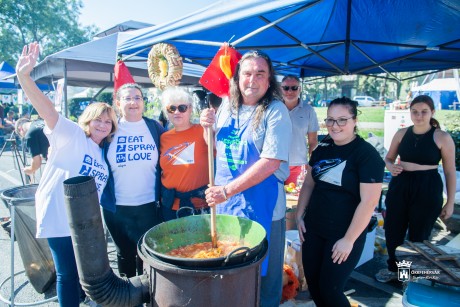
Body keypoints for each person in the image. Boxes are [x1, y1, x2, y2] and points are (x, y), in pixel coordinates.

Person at [16, 42, 118, 306]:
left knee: (81, 271)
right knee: (67, 273)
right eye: (98, 119)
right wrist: (24, 77)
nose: (103, 125)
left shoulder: (101, 154)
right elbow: (47, 110)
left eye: (108, 122)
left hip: (84, 224)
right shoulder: (71, 135)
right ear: (87, 120)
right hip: (58, 215)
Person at [200, 50, 292, 307]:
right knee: (231, 269)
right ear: (238, 77)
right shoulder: (227, 106)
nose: (253, 79)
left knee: (265, 278)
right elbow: (215, 148)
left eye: (260, 74)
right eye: (247, 73)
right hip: (228, 205)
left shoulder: (276, 111)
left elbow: (271, 162)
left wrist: (226, 190)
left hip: (263, 206)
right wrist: (206, 128)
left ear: (269, 78)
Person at [295, 97, 384, 306]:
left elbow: (369, 202)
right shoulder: (323, 145)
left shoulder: (366, 155)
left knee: (331, 290)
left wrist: (349, 240)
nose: (335, 126)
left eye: (342, 120)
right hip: (314, 229)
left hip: (343, 233)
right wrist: (300, 214)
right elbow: (309, 183)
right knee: (315, 287)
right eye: (330, 120)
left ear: (355, 121)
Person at [375, 94, 456, 283]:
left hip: (427, 187)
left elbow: (450, 171)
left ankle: (407, 275)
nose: (419, 116)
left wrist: (450, 202)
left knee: (418, 235)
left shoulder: (442, 137)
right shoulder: (402, 133)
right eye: (415, 112)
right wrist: (390, 166)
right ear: (409, 112)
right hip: (401, 185)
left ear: (432, 113)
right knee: (393, 230)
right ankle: (394, 269)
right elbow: (388, 158)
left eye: (424, 112)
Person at [101, 82, 165, 278]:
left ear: (143, 102)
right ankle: (128, 299)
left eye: (137, 97)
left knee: (147, 256)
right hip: (116, 208)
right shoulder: (108, 129)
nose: (133, 102)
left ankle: (149, 297)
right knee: (124, 256)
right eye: (127, 98)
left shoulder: (155, 128)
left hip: (148, 206)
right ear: (118, 103)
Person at [160, 87, 209, 221]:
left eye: (182, 108)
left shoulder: (204, 131)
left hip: (199, 207)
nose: (177, 112)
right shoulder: (163, 137)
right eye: (171, 108)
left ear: (190, 109)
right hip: (170, 206)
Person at [281, 75, 319, 184]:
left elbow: (313, 141)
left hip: (299, 165)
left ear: (300, 89)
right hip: (276, 164)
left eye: (294, 88)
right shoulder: (274, 108)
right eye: (286, 88)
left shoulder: (308, 110)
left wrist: (311, 165)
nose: (290, 91)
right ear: (280, 89)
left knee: (295, 199)